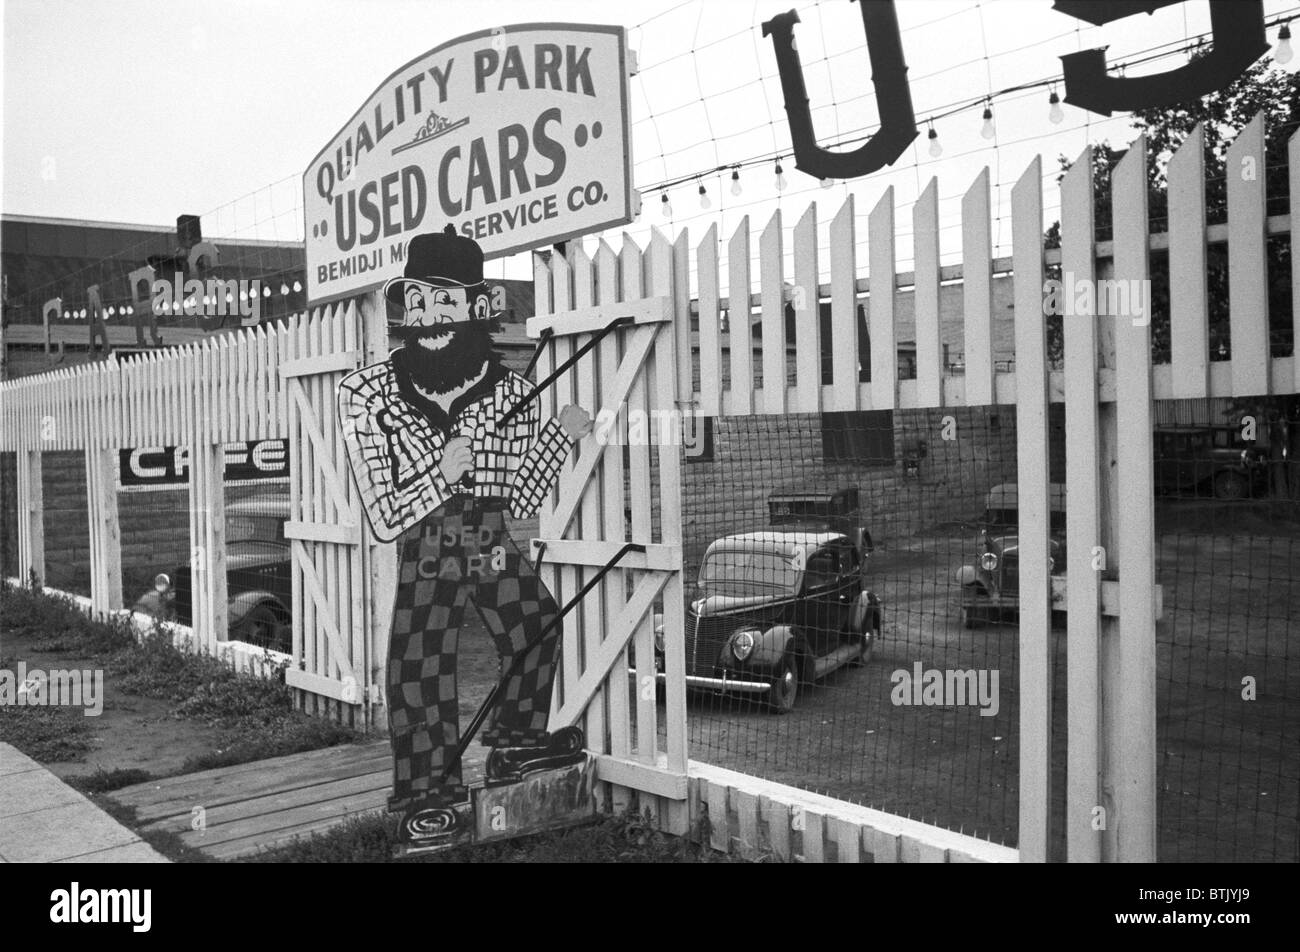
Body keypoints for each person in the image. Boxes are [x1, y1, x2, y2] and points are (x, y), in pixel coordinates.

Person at [337, 225, 591, 844]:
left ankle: (515, 745)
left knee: (538, 626)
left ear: (476, 309)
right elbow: (384, 514)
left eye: (442, 302)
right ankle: (427, 796)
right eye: (416, 302)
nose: (426, 318)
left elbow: (522, 496)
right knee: (420, 661)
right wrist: (440, 471)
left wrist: (558, 437)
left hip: (485, 532)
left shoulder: (511, 393)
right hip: (426, 538)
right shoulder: (367, 394)